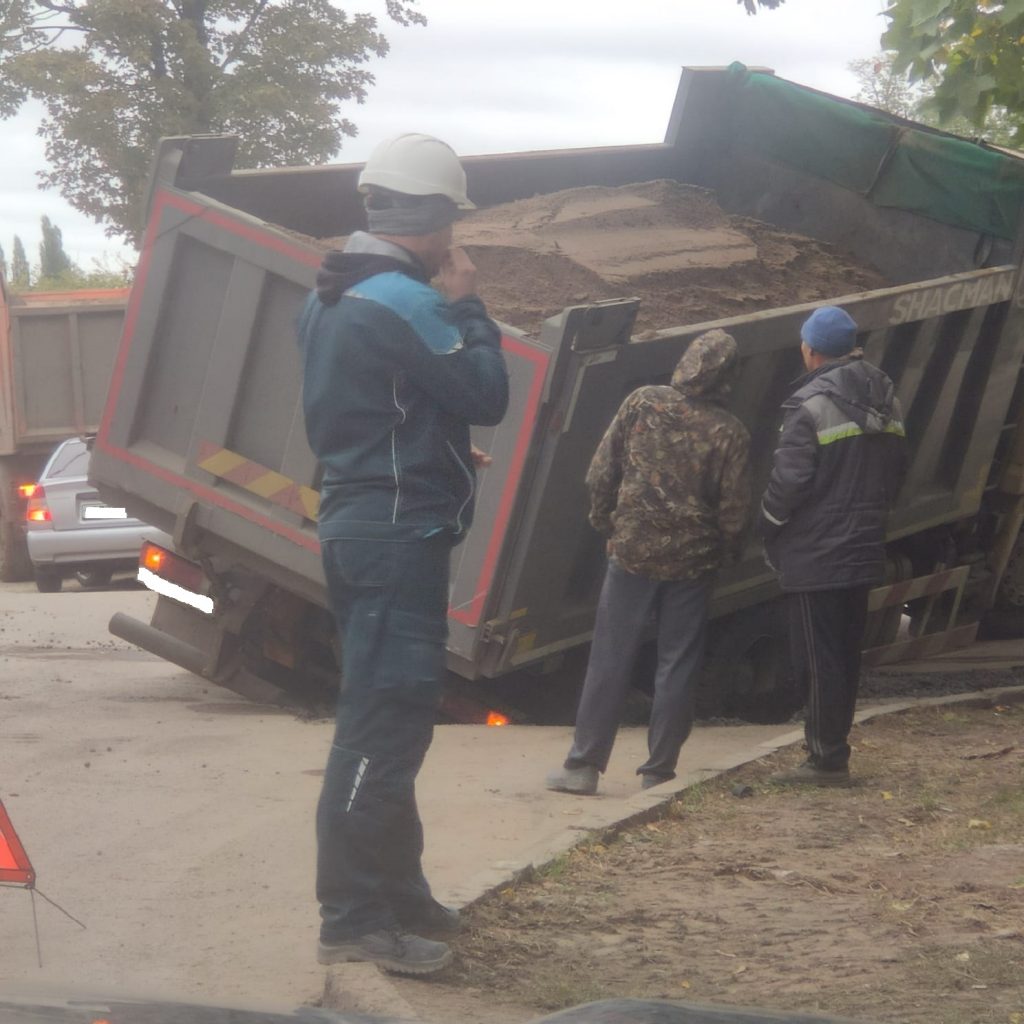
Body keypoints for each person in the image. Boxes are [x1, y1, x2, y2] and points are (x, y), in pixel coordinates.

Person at [297, 133, 509, 974]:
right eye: (452, 221)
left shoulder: (326, 297)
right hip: (398, 538)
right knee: (380, 729)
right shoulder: (410, 299)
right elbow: (486, 391)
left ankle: (401, 891)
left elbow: (372, 405)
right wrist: (469, 305)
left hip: (359, 519)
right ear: (429, 220)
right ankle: (351, 918)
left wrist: (430, 443)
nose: (455, 242)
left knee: (388, 722)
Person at [545, 329, 751, 797]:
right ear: (729, 376)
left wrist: (608, 525)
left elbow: (601, 471)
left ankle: (583, 767)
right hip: (693, 565)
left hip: (631, 553)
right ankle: (658, 775)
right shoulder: (729, 433)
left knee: (610, 657)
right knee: (676, 663)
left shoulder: (643, 403)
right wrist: (729, 554)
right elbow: (734, 510)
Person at [760, 306, 906, 788]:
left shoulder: (810, 405)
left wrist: (769, 526)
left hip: (816, 554)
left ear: (811, 350)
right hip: (863, 548)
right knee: (843, 655)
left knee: (816, 660)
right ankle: (833, 751)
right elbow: (895, 473)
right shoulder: (886, 395)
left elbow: (789, 484)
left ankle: (825, 761)